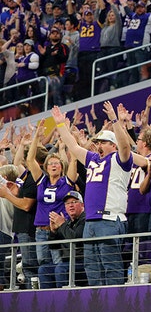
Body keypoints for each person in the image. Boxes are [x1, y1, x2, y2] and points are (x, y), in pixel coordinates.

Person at [51, 102, 133, 286]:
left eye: (102, 142)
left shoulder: (120, 160)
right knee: (92, 267)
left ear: (113, 145)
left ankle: (114, 304)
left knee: (110, 265)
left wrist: (114, 119)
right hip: (90, 222)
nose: (97, 145)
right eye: (96, 142)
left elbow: (125, 146)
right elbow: (73, 146)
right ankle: (97, 305)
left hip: (110, 220)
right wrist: (60, 125)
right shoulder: (93, 159)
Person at [27, 122, 76, 288]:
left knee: (58, 265)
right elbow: (29, 159)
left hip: (60, 230)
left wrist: (69, 138)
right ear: (46, 168)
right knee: (43, 266)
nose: (54, 165)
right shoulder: (42, 181)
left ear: (62, 167)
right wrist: (37, 136)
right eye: (50, 163)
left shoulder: (66, 182)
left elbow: (74, 159)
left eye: (57, 163)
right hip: (41, 230)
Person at [48, 190, 87, 287]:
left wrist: (62, 224)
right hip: (67, 263)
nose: (70, 205)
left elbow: (76, 241)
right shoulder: (68, 223)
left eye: (74, 202)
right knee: (44, 269)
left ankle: (62, 299)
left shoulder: (85, 220)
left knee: (61, 268)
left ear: (82, 205)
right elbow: (53, 246)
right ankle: (48, 300)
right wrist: (53, 231)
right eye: (67, 203)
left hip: (82, 262)